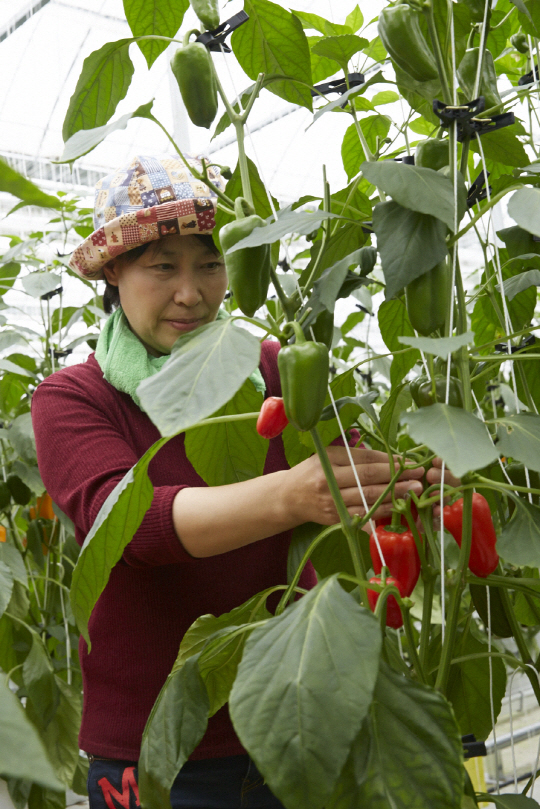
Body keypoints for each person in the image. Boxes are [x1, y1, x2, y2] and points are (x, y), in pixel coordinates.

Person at [31, 154, 452, 809]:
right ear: (114, 270)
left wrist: (421, 475)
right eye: (162, 266)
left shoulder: (278, 367)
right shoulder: (72, 398)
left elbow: (356, 479)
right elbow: (130, 521)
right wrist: (289, 494)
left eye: (210, 263)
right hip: (158, 754)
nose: (192, 292)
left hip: (302, 708)